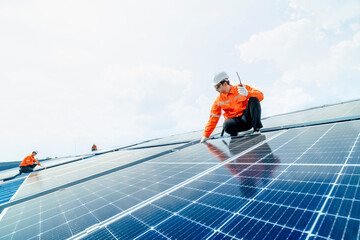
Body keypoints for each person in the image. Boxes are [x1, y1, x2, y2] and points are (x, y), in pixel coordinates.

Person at [200, 72, 264, 143]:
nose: (216, 89)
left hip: (247, 120)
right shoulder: (218, 100)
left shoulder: (241, 88)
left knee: (254, 99)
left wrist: (247, 93)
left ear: (224, 84)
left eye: (217, 86)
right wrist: (206, 135)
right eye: (214, 87)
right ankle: (234, 136)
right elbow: (213, 118)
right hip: (235, 124)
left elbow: (261, 96)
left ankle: (256, 129)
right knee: (227, 124)